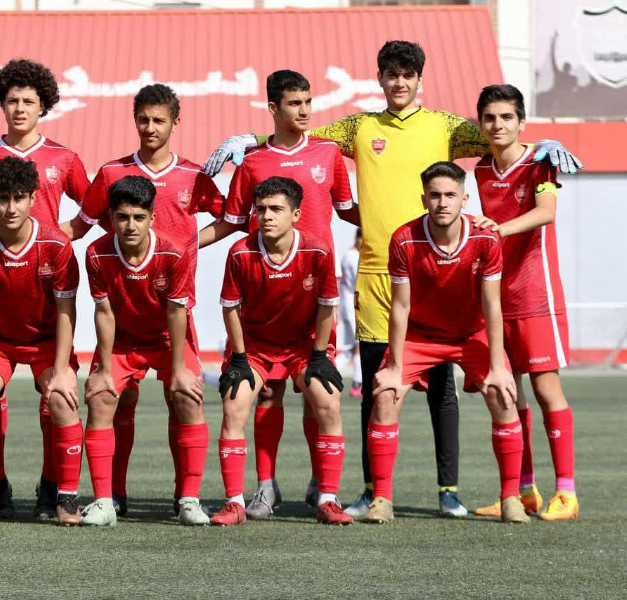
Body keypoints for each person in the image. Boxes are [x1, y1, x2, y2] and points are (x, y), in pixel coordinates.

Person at [201, 40, 582, 519]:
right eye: (391, 74)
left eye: (408, 75)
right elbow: (300, 133)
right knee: (379, 382)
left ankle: (449, 490)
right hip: (378, 273)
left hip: (439, 270)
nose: (399, 82)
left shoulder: (446, 126)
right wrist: (252, 140)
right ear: (380, 78)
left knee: (443, 388)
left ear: (420, 79)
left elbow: (499, 134)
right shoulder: (358, 127)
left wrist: (542, 146)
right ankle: (371, 491)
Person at [201, 69, 358, 518]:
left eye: (308, 102)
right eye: (294, 103)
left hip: (313, 301)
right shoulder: (252, 162)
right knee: (265, 394)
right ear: (273, 108)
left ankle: (321, 486)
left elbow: (349, 211)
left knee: (318, 393)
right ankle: (266, 488)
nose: (304, 110)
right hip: (266, 303)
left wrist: (407, 228)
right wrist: (181, 246)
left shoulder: (328, 153)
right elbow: (232, 222)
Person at [63, 83, 224, 517]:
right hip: (124, 317)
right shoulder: (111, 173)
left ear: (175, 123)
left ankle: (186, 497)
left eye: (159, 120)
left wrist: (191, 244)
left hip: (172, 312)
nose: (150, 127)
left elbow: (231, 217)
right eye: (143, 119)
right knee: (111, 398)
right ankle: (111, 496)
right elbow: (80, 226)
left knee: (184, 394)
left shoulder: (193, 175)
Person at [0, 59, 91, 520]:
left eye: (29, 101)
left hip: (44, 302)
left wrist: (64, 234)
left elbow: (93, 209)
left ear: (42, 106)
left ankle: (57, 493)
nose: (19, 108)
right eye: (11, 100)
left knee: (60, 399)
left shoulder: (64, 158)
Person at [364, 161, 527, 525]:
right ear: (424, 199)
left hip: (470, 334)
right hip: (421, 334)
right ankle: (382, 499)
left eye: (450, 195)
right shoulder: (404, 239)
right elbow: (400, 306)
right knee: (386, 395)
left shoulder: (485, 239)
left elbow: (492, 304)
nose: (442, 202)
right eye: (435, 195)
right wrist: (394, 368)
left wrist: (498, 368)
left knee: (503, 394)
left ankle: (511, 498)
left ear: (464, 199)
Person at [212, 176, 351, 527]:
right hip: (255, 347)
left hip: (303, 345)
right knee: (234, 404)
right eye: (261, 209)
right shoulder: (240, 252)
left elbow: (327, 305)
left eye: (276, 209)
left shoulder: (317, 250)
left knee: (328, 400)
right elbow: (230, 308)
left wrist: (319, 356)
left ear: (296, 214)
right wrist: (239, 358)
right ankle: (235, 502)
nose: (267, 216)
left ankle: (328, 498)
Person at [470, 84, 578, 521]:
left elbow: (546, 212)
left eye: (506, 117)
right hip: (496, 297)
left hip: (536, 294)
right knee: (507, 392)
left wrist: (496, 229)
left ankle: (567, 493)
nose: (498, 125)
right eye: (490, 118)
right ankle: (523, 491)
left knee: (546, 389)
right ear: (481, 123)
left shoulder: (541, 161)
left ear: (521, 122)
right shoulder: (480, 168)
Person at [81, 176, 210, 527]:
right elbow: (104, 312)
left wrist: (179, 369)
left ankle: (188, 499)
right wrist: (103, 369)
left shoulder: (174, 252)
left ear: (152, 217)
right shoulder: (96, 253)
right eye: (123, 217)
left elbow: (177, 312)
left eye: (139, 217)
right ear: (111, 217)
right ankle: (105, 501)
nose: (131, 225)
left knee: (187, 396)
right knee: (101, 398)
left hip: (166, 339)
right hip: (122, 341)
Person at [340, 228, 363, 398]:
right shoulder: (353, 256)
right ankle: (357, 382)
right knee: (359, 345)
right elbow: (359, 281)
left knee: (352, 347)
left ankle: (357, 381)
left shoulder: (351, 255)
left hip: (352, 304)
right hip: (352, 306)